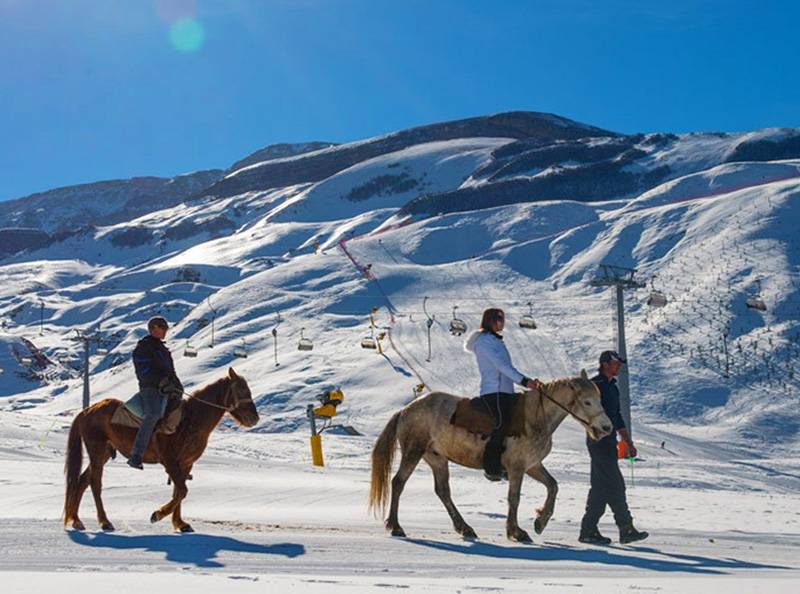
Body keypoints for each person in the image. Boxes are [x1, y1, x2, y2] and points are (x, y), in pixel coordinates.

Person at [579, 350, 649, 545]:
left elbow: (617, 417)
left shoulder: (613, 387)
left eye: (619, 364)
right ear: (604, 364)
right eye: (615, 363)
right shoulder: (595, 387)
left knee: (600, 488)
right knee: (616, 485)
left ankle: (588, 529)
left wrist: (628, 442)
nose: (618, 367)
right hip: (598, 442)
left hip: (610, 443)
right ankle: (625, 528)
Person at [464, 308, 540, 481]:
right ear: (490, 321)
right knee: (501, 424)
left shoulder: (496, 341)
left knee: (516, 425)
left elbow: (507, 369)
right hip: (494, 391)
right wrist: (524, 381)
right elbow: (501, 367)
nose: (502, 322)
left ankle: (508, 460)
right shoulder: (484, 342)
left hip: (505, 391)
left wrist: (523, 382)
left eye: (503, 318)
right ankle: (491, 467)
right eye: (499, 319)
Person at [127, 316, 184, 470]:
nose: (165, 331)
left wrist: (177, 386)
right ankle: (136, 454)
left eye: (166, 329)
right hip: (150, 388)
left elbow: (171, 371)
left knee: (178, 414)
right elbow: (143, 369)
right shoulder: (143, 347)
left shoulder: (163, 350)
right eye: (162, 328)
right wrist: (160, 382)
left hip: (167, 389)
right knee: (153, 414)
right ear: (153, 329)